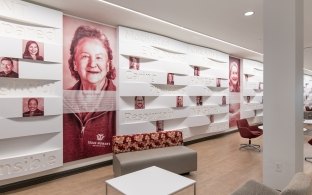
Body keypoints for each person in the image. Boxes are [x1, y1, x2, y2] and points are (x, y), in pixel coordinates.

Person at [63, 25, 116, 163]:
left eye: (99, 57)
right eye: (85, 56)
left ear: (108, 65)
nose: (92, 64)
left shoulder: (121, 102)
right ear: (74, 64)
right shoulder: (61, 100)